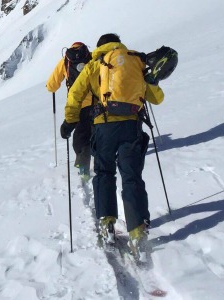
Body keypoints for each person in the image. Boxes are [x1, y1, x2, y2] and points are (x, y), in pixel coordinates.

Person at [61, 33, 165, 263]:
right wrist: (152, 82)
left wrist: (70, 121)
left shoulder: (95, 64)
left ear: (100, 47)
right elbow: (156, 98)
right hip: (132, 125)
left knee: (105, 173)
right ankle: (137, 231)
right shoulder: (134, 61)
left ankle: (107, 222)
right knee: (132, 176)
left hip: (104, 127)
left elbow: (75, 94)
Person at [46, 42, 95, 181]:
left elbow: (51, 85)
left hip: (77, 105)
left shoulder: (66, 61)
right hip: (95, 103)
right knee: (97, 132)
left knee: (81, 136)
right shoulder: (91, 57)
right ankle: (100, 160)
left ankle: (84, 169)